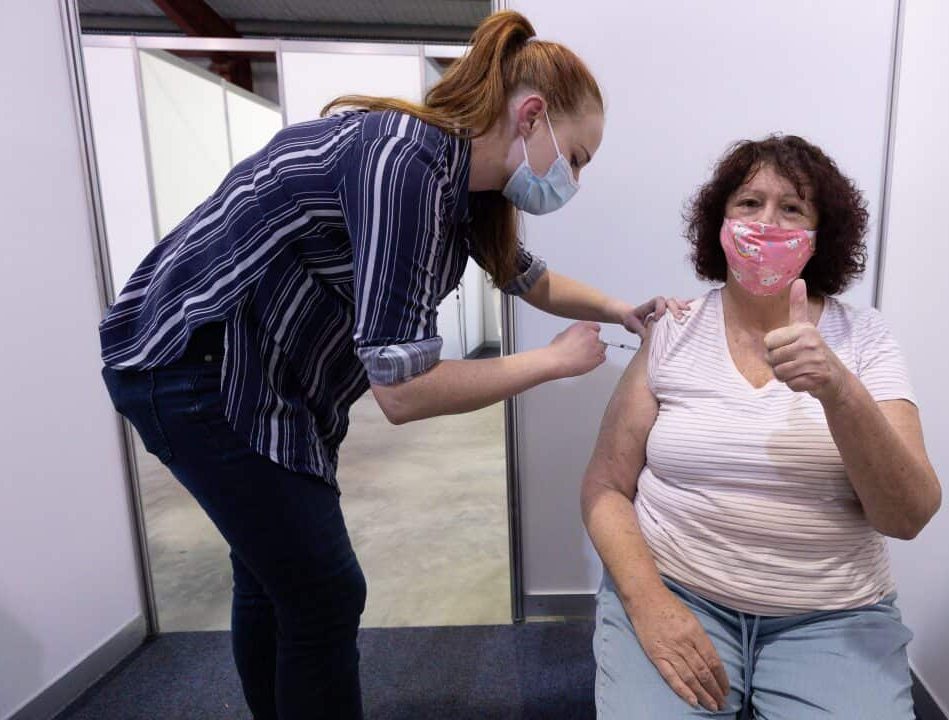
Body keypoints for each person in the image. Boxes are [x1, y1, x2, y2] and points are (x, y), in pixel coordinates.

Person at [99, 11, 686, 720]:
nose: (575, 179)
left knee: (271, 578)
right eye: (579, 157)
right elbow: (402, 393)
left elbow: (527, 277)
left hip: (262, 376)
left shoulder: (464, 186)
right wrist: (552, 363)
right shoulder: (404, 166)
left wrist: (624, 309)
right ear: (531, 116)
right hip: (193, 365)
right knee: (323, 590)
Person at [581, 135, 943, 718]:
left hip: (832, 615)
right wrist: (648, 604)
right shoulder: (672, 330)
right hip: (676, 590)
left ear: (820, 236)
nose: (766, 222)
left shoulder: (865, 338)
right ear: (719, 222)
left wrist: (838, 390)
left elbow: (909, 515)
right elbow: (604, 487)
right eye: (749, 203)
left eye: (792, 208)